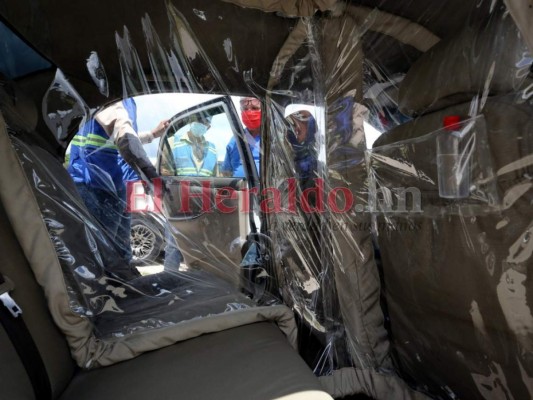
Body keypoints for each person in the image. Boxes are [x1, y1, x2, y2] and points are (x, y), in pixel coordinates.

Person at [68, 97, 168, 264]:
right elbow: (124, 137)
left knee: (121, 247)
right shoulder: (109, 96)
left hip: (115, 182)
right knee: (102, 250)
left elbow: (125, 137)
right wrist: (149, 174)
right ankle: (103, 285)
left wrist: (152, 134)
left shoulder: (129, 101)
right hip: (92, 183)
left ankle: (123, 281)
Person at [163, 116, 217, 271]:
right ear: (191, 120)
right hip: (178, 205)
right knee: (173, 247)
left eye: (205, 122)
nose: (201, 123)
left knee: (201, 249)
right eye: (199, 119)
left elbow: (215, 179)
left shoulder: (212, 149)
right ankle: (169, 279)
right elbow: (164, 173)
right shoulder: (174, 142)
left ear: (209, 126)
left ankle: (198, 283)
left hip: (203, 208)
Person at [221, 97, 261, 177]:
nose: (249, 112)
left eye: (254, 108)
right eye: (245, 109)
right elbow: (226, 173)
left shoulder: (272, 140)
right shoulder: (235, 141)